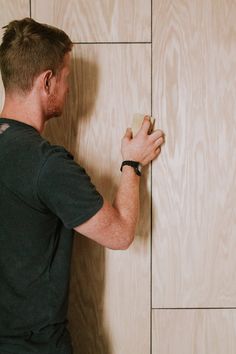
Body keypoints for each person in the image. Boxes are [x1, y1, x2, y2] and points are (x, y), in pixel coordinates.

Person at [0, 17, 165, 354]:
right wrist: (132, 164)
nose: (68, 88)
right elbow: (119, 234)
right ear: (46, 82)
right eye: (66, 77)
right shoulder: (46, 164)